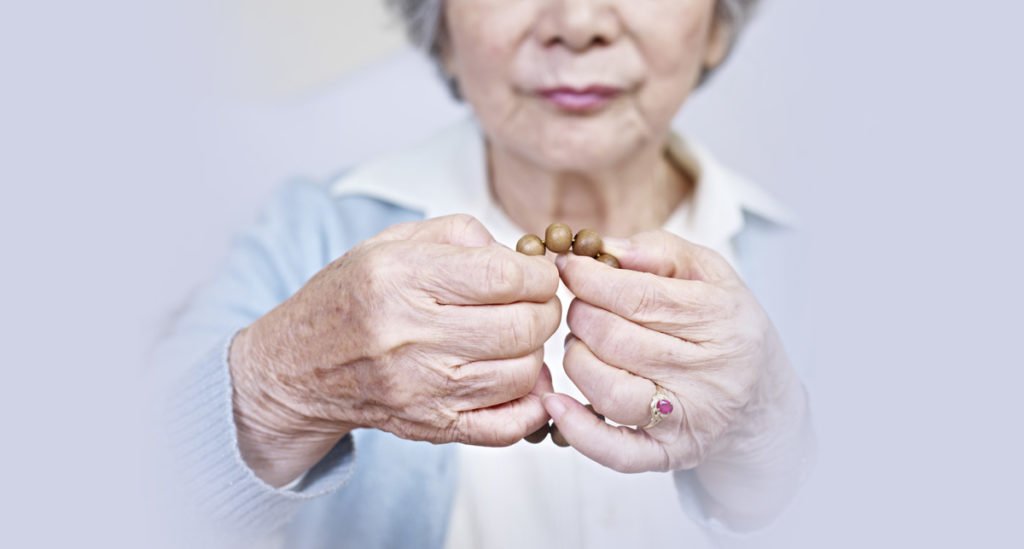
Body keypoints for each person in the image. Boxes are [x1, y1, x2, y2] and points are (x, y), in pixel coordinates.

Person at [158, 0, 815, 546]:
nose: (578, 22)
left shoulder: (818, 264)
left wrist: (772, 442)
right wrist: (283, 388)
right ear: (440, 28)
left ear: (718, 25)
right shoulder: (309, 233)